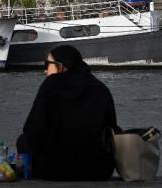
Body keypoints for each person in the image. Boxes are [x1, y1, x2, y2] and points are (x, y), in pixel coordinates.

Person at [19, 44, 118, 180]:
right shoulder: (100, 88)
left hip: (54, 171)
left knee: (23, 140)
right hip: (99, 170)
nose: (45, 70)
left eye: (47, 64)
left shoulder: (51, 84)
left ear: (60, 66)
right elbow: (112, 128)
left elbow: (31, 129)